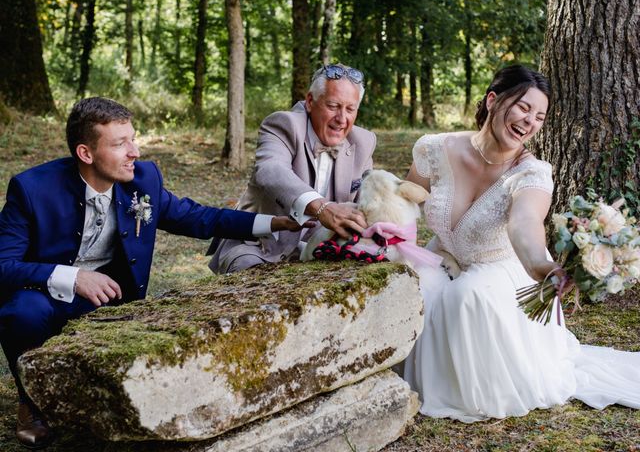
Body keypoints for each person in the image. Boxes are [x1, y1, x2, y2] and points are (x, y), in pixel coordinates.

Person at [0, 97, 308, 448]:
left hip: (111, 300)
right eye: (120, 144)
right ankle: (33, 403)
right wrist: (74, 277)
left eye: (134, 138)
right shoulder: (32, 189)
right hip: (45, 297)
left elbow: (197, 217)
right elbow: (3, 266)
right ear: (86, 154)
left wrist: (272, 223)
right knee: (21, 313)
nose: (135, 151)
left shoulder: (142, 179)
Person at [404, 65, 640, 422]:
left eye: (540, 117)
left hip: (501, 268)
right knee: (412, 284)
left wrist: (542, 267)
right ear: (493, 100)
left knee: (466, 297)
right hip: (443, 258)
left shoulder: (531, 173)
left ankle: (465, 391)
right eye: (523, 108)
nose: (530, 122)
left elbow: (525, 225)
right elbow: (408, 198)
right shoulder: (435, 149)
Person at [208, 64, 376, 273]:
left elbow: (369, 201)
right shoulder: (283, 124)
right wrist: (322, 207)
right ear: (310, 101)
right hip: (260, 245)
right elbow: (270, 170)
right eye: (333, 106)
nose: (342, 119)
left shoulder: (364, 141)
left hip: (324, 250)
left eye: (350, 109)